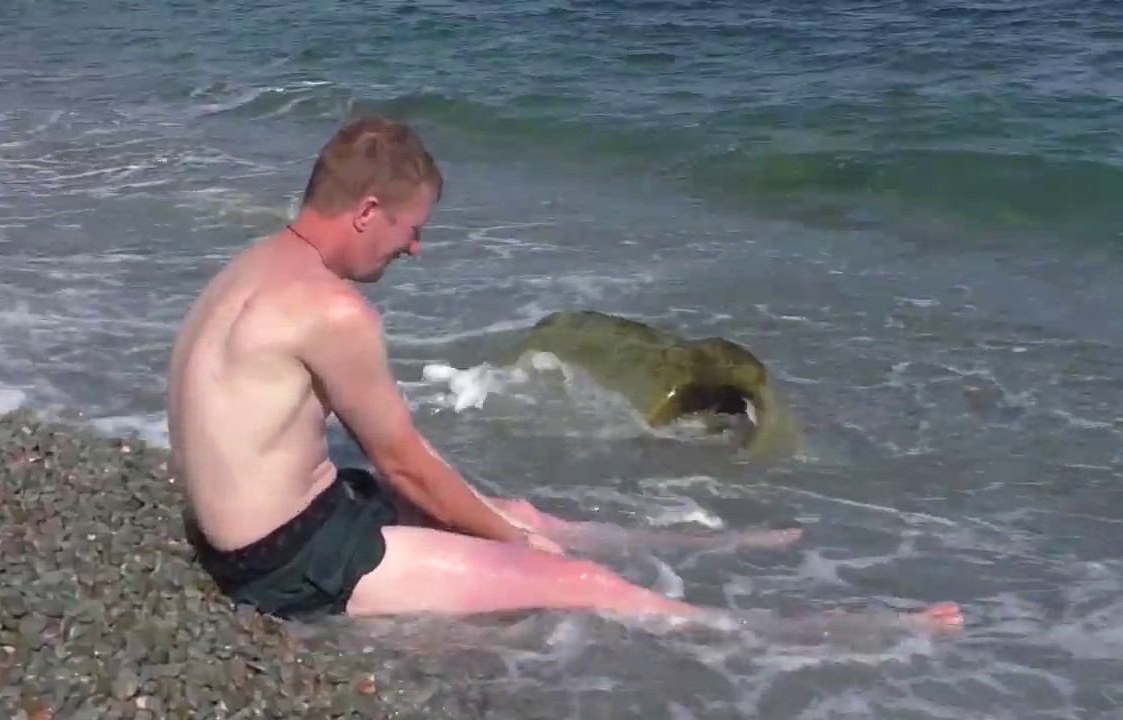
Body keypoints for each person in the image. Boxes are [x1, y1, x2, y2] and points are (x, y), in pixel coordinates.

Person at [167, 116, 963, 634]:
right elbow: (402, 463)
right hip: (290, 563)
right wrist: (518, 547)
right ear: (368, 211)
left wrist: (505, 522)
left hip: (266, 528)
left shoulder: (253, 268)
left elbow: (383, 454)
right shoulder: (333, 311)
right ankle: (820, 631)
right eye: (410, 229)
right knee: (577, 580)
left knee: (516, 511)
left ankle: (716, 542)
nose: (414, 249)